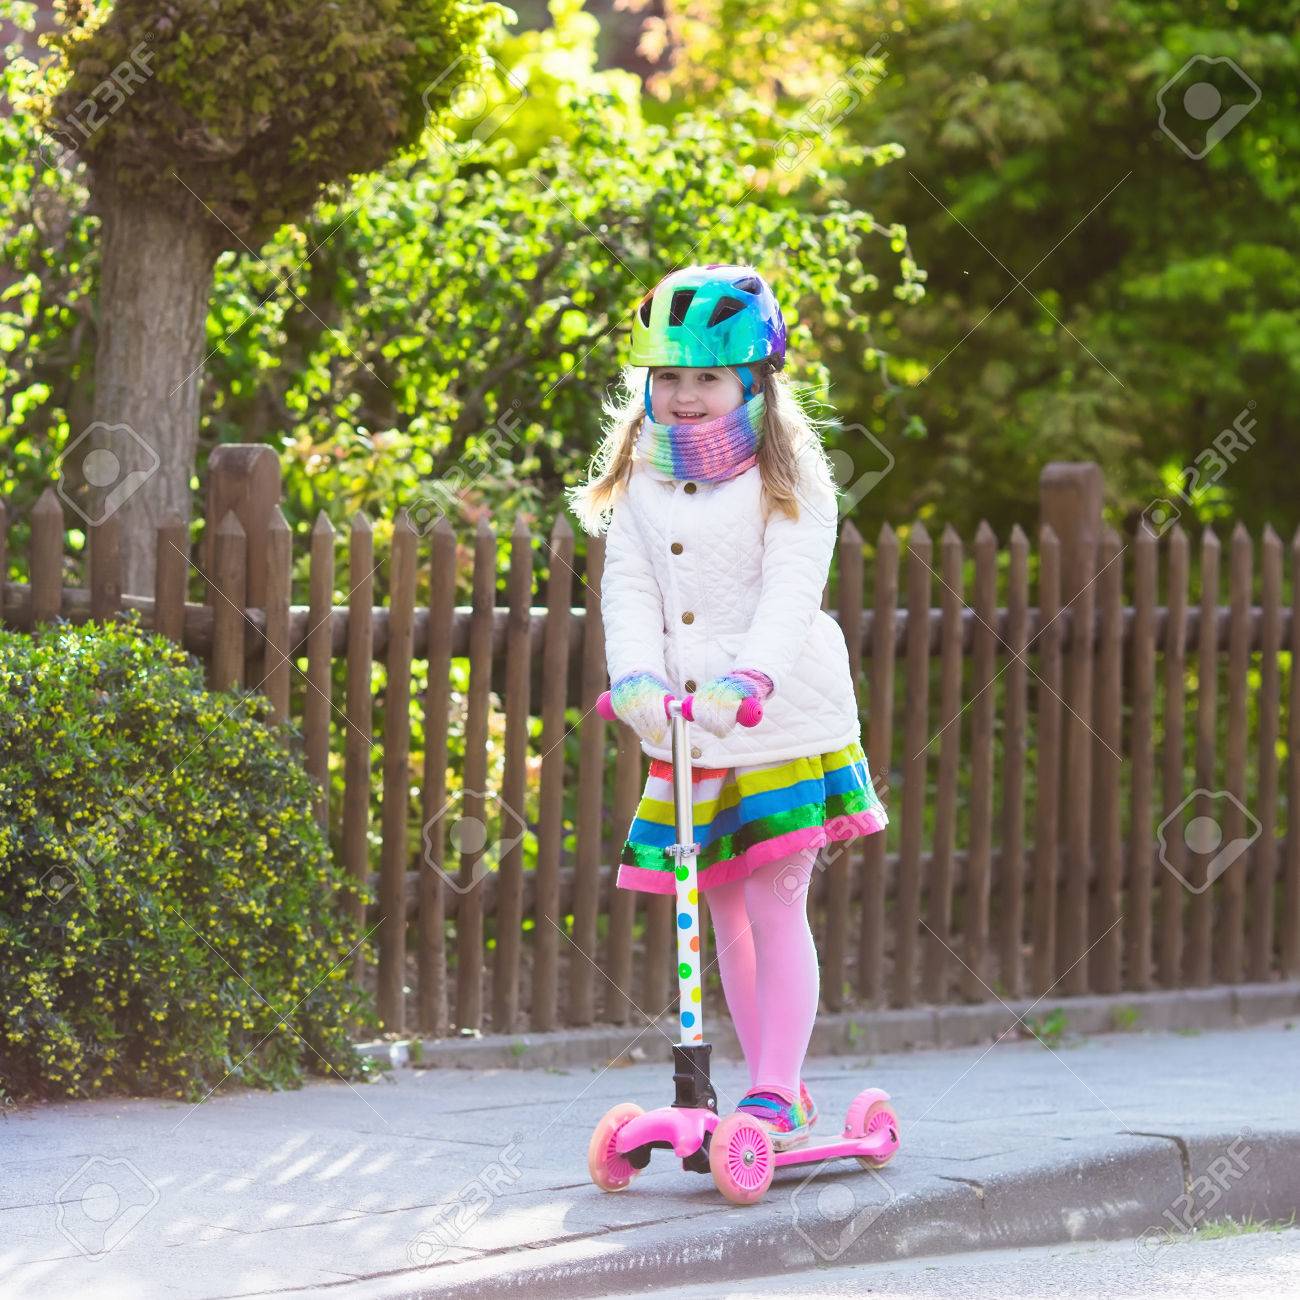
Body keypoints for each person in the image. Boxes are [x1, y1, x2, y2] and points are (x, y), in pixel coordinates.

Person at [566, 263, 889, 1151]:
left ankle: (777, 1090)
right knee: (724, 914)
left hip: (778, 722)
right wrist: (633, 679)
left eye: (708, 376)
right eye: (668, 376)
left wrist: (750, 679)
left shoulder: (792, 481)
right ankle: (762, 1090)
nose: (685, 395)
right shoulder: (640, 481)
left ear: (753, 382)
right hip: (690, 732)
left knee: (777, 903)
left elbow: (792, 594)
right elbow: (626, 587)